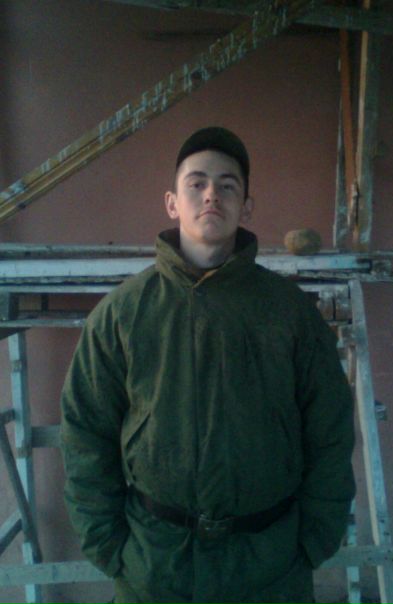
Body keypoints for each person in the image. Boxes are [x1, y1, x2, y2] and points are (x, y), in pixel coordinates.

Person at [60, 127, 355, 604]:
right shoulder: (122, 313)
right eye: (196, 183)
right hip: (155, 569)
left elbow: (330, 426)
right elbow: (85, 434)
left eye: (227, 185)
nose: (212, 194)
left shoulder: (289, 312)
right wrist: (111, 547)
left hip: (271, 568)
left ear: (246, 206)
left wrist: (314, 539)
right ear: (172, 203)